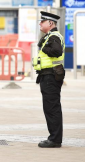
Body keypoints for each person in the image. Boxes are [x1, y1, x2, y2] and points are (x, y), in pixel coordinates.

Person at [32, 11, 65, 148]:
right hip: (48, 76)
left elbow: (57, 51)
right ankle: (55, 137)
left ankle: (55, 139)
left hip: (51, 76)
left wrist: (45, 48)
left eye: (42, 21)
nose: (40, 23)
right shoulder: (50, 36)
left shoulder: (54, 36)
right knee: (51, 107)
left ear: (50, 23)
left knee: (52, 108)